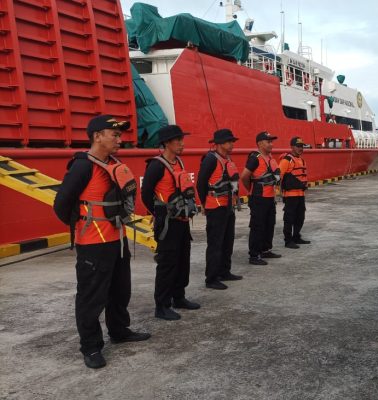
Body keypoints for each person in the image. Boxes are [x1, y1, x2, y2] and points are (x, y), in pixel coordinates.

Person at [53, 115, 150, 369]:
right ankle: (91, 347)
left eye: (119, 136)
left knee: (120, 290)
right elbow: (61, 205)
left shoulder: (113, 163)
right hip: (93, 243)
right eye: (114, 135)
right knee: (91, 297)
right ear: (97, 136)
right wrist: (83, 226)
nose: (119, 140)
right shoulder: (83, 166)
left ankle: (119, 331)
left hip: (117, 240)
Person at [141, 125, 200, 321]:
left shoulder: (178, 163)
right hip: (167, 222)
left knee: (183, 259)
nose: (182, 144)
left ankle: (179, 296)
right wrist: (159, 212)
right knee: (167, 263)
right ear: (167, 143)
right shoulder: (156, 166)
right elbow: (145, 194)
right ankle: (162, 305)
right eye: (178, 140)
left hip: (182, 221)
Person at [197, 129, 243, 290]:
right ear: (219, 144)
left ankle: (225, 271)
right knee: (215, 243)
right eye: (229, 142)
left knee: (228, 241)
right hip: (215, 207)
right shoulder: (210, 159)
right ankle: (211, 278)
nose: (232, 144)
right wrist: (203, 203)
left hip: (228, 207)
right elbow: (201, 183)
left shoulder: (227, 159)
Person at [241, 131, 282, 265]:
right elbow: (244, 176)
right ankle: (254, 255)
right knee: (258, 226)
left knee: (269, 224)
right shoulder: (255, 158)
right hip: (259, 198)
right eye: (268, 141)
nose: (271, 144)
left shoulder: (270, 158)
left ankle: (265, 250)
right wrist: (251, 190)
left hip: (270, 197)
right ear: (259, 143)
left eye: (272, 141)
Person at [279, 136, 311, 249]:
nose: (300, 148)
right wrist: (279, 192)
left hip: (300, 195)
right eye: (298, 146)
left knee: (300, 217)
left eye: (302, 146)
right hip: (290, 195)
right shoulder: (287, 160)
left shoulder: (302, 160)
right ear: (292, 147)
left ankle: (296, 236)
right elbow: (279, 177)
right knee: (289, 218)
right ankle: (288, 240)